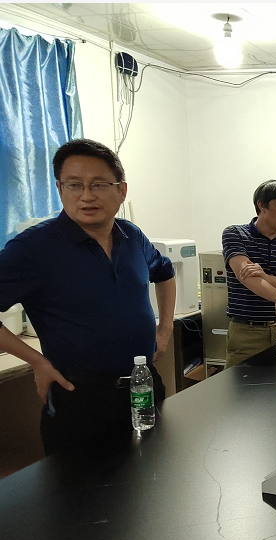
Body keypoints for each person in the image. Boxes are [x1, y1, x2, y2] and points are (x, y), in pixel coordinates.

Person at [0, 139, 175, 455]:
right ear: (59, 189)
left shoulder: (131, 236)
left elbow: (165, 273)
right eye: (74, 185)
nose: (86, 195)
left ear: (121, 191)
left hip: (143, 385)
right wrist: (36, 360)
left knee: (153, 474)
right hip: (79, 398)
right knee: (82, 486)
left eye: (99, 184)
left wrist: (165, 329)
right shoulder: (34, 248)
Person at [222, 180, 276, 368]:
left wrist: (265, 277)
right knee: (240, 384)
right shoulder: (235, 234)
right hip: (247, 331)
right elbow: (246, 276)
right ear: (261, 205)